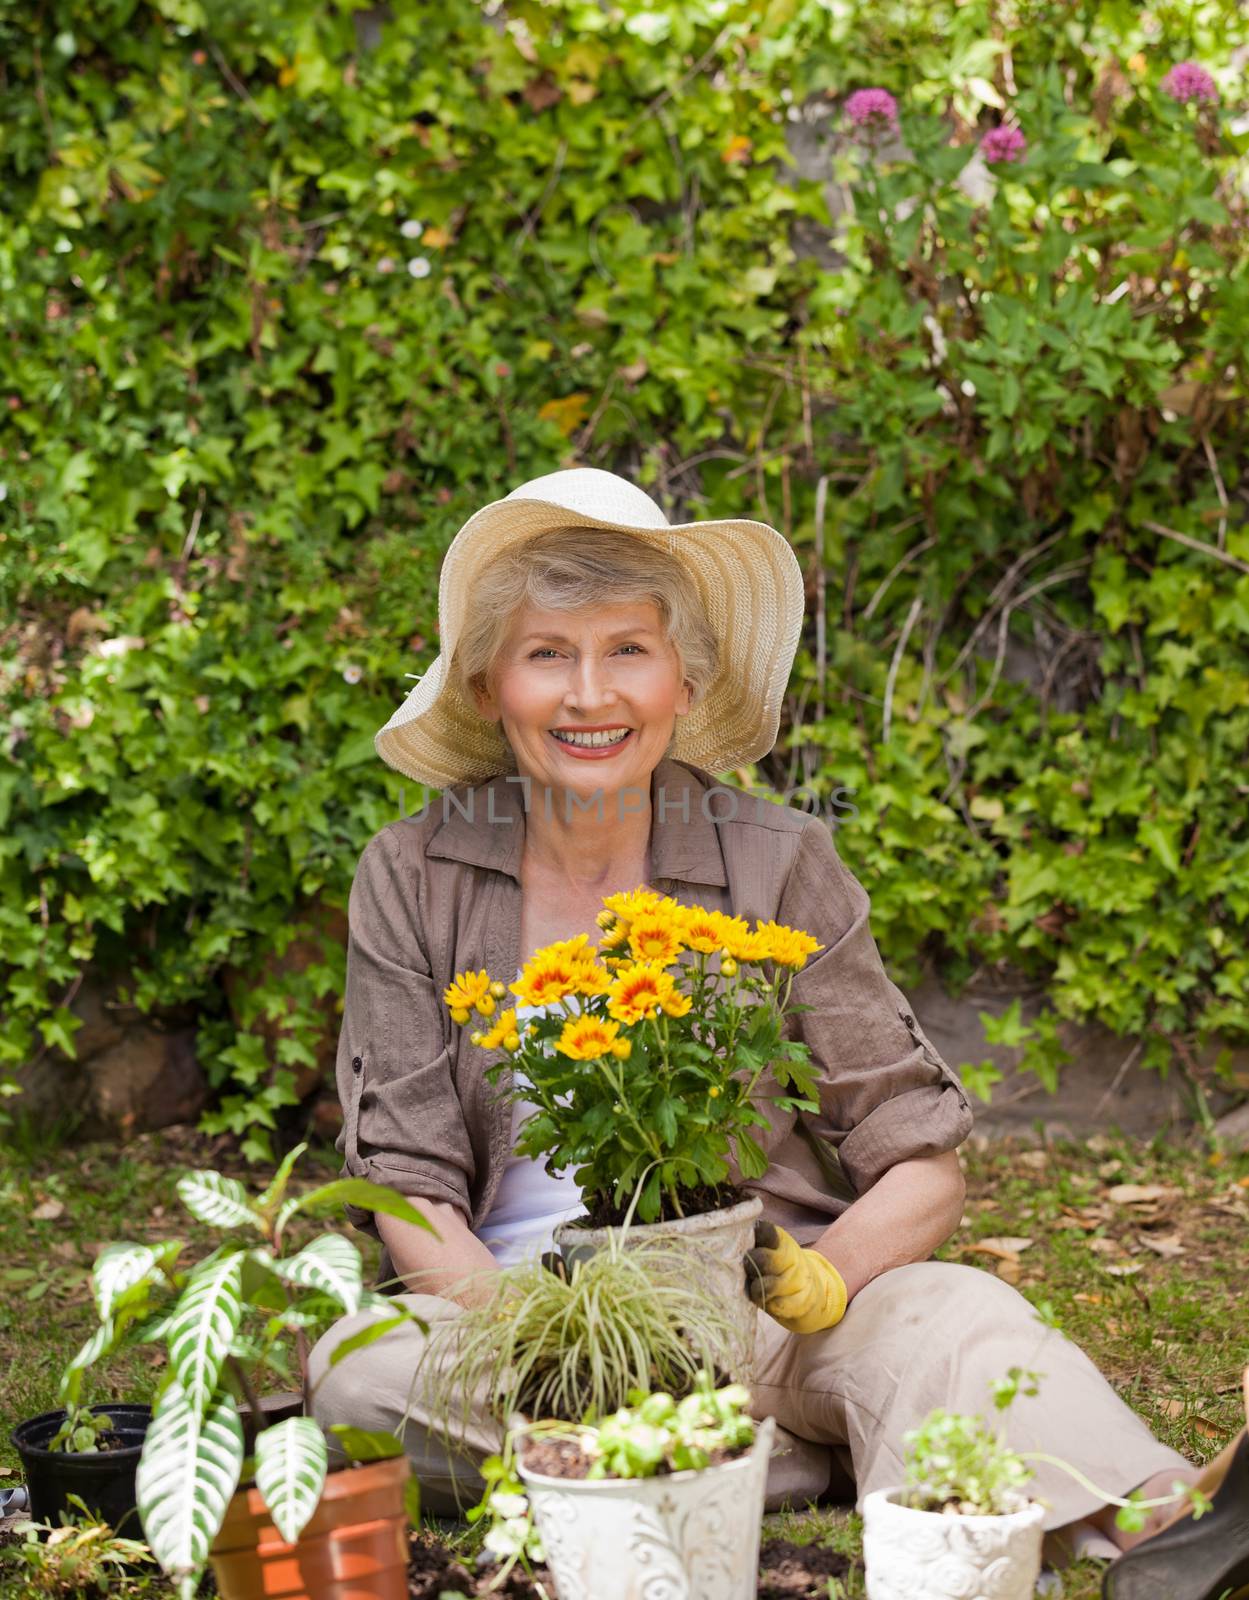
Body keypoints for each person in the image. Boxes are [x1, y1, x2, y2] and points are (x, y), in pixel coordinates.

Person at [309, 467, 1249, 1600]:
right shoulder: (411, 872)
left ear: (684, 679)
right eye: (547, 652)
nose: (588, 694)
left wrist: (824, 1276)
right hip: (521, 1335)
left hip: (759, 1319)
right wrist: (541, 1331)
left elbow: (920, 1158)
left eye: (628, 651)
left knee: (956, 1311)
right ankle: (780, 1459)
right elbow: (406, 1184)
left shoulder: (778, 859)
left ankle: (1167, 1524)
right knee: (356, 1372)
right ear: (487, 683)